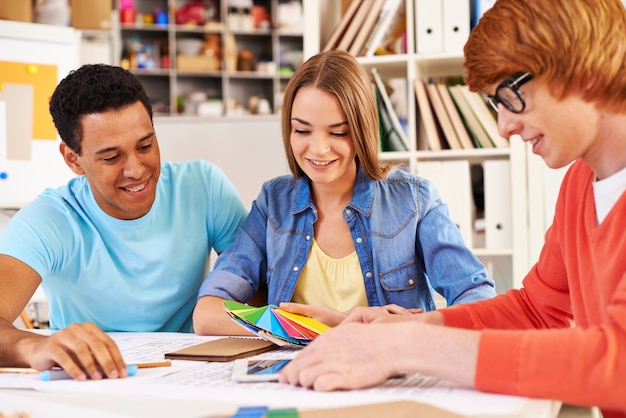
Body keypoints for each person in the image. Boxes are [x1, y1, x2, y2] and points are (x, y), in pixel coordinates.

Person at [279, 1, 626, 417]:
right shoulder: (580, 184)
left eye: (511, 98)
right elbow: (537, 310)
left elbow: (618, 361)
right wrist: (421, 324)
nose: (504, 127)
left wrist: (407, 347)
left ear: (583, 71)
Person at [192, 49, 495, 335]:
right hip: (295, 378)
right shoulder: (274, 203)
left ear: (362, 129)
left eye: (338, 132)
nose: (319, 149)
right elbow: (207, 313)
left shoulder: (414, 201)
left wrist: (349, 326)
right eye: (302, 130)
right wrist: (289, 324)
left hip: (388, 373)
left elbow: (479, 300)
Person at [0, 64, 248, 380]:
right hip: (92, 382)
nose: (135, 170)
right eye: (111, 157)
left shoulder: (204, 187)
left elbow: (258, 287)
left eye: (145, 146)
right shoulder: (50, 219)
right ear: (73, 158)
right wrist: (33, 347)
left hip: (195, 374)